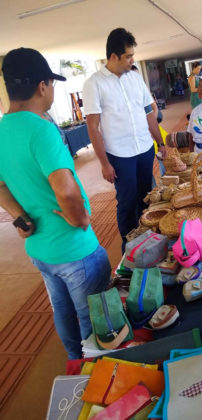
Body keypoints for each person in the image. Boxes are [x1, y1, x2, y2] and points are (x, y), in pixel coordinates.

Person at [0, 47, 111, 359]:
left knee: (63, 314)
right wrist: (81, 220)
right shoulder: (42, 130)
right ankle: (98, 374)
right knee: (95, 320)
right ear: (42, 86)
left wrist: (20, 217)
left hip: (40, 250)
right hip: (74, 249)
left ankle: (76, 367)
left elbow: (1, 187)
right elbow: (65, 190)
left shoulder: (1, 131)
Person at [82, 28, 166, 252]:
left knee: (146, 196)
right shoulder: (94, 84)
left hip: (144, 148)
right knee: (128, 201)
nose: (132, 60)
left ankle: (147, 236)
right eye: (128, 56)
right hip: (120, 155)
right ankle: (129, 246)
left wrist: (161, 143)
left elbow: (149, 112)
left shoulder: (135, 78)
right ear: (113, 57)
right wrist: (104, 163)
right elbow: (93, 126)